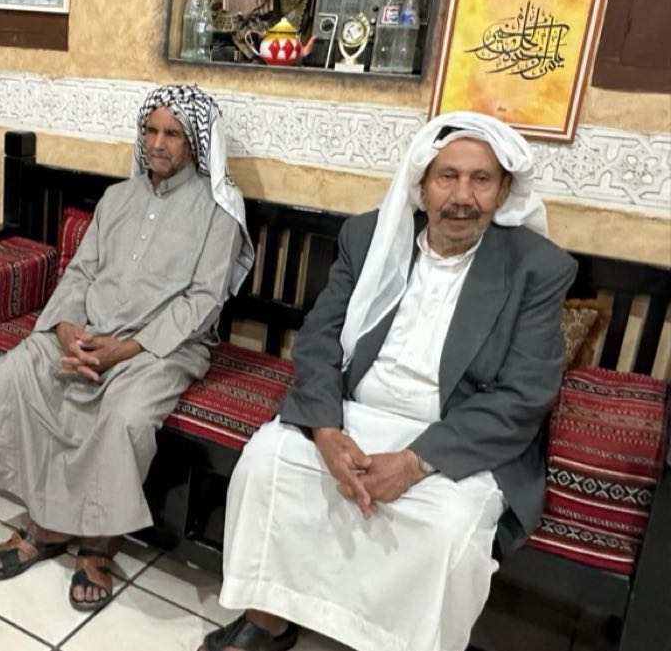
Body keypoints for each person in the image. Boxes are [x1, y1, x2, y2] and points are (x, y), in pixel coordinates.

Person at [199, 113, 576, 651]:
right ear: (422, 184)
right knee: (268, 464)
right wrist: (326, 433)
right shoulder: (369, 238)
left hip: (455, 438)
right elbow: (319, 339)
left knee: (447, 528)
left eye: (481, 180)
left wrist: (414, 463)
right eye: (447, 177)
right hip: (353, 416)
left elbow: (524, 396)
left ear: (503, 190)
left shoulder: (537, 268)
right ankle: (268, 619)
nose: (462, 196)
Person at [0, 84, 253, 612]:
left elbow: (203, 302)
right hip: (89, 331)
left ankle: (98, 544)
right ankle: (46, 523)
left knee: (124, 417)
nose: (157, 143)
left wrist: (124, 349)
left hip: (162, 349)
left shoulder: (219, 213)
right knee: (11, 376)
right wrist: (66, 329)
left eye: (172, 133)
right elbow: (80, 272)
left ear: (195, 142)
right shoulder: (118, 199)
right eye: (150, 130)